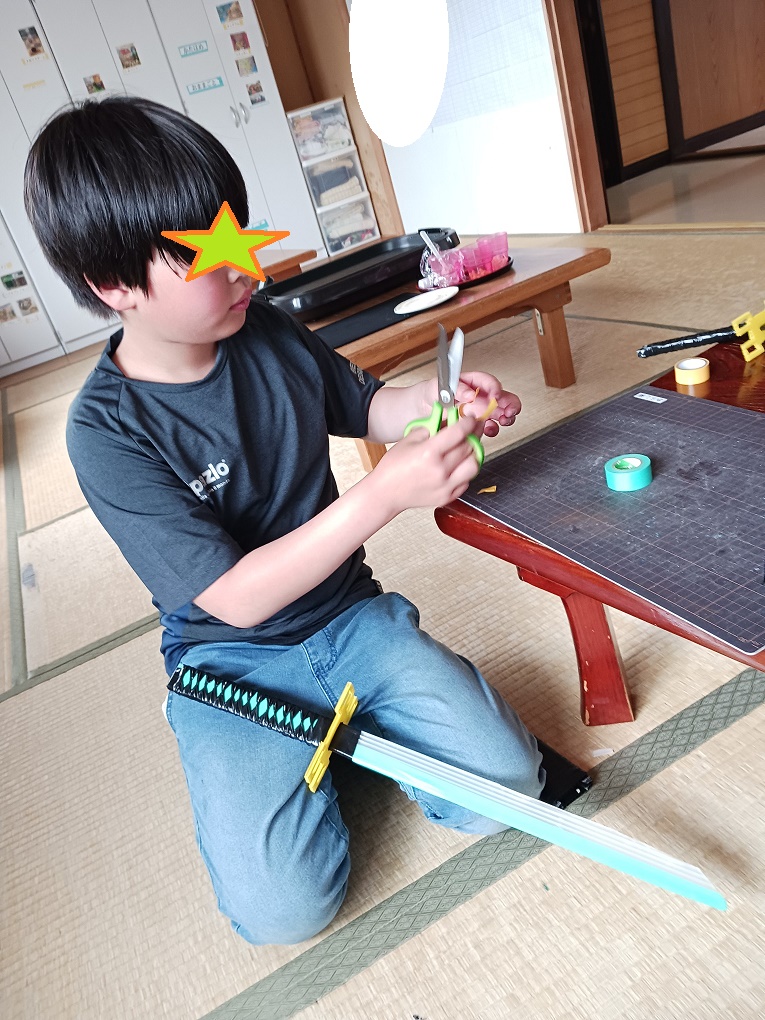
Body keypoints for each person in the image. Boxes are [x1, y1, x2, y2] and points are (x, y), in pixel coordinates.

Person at [24, 96, 544, 946]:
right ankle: (284, 741)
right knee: (281, 915)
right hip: (232, 660)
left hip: (348, 617)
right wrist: (383, 495)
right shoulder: (106, 433)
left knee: (508, 789)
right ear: (113, 286)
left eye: (240, 238)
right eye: (209, 258)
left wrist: (440, 401)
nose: (248, 272)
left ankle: (342, 731)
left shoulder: (266, 330)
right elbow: (234, 599)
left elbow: (367, 406)